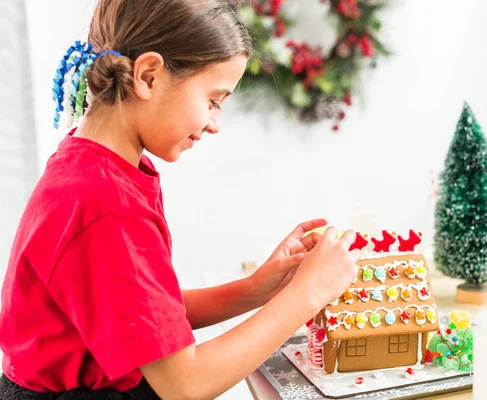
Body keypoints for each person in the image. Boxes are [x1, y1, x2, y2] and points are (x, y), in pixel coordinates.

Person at [0, 0, 360, 399]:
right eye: (213, 100)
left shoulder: (95, 167)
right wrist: (306, 295)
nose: (215, 123)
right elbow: (184, 385)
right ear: (149, 76)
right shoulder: (106, 203)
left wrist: (258, 288)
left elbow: (143, 315)